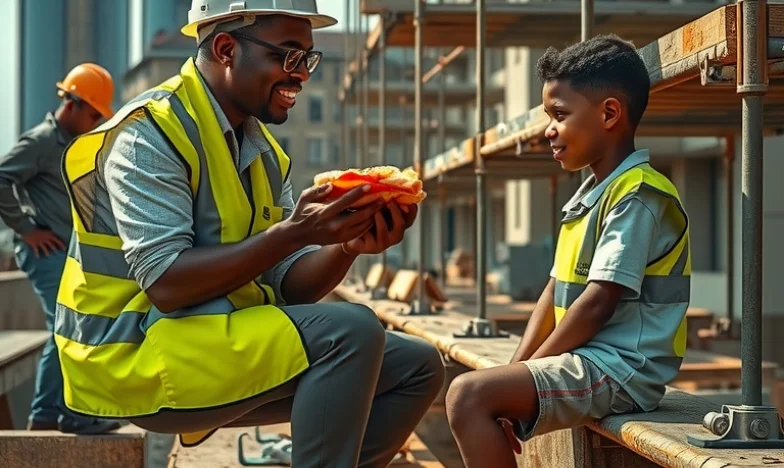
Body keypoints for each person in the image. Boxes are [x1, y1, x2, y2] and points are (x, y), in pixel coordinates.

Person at [54, 1, 445, 466]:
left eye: (308, 59)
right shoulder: (150, 135)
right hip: (128, 357)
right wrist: (293, 234)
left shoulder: (266, 155)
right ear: (225, 49)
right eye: (289, 55)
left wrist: (346, 246)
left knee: (418, 366)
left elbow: (287, 285)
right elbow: (165, 283)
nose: (301, 75)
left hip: (201, 340)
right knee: (354, 331)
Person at [445, 35, 691, 467]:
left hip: (624, 370)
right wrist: (513, 374)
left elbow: (596, 303)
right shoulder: (590, 195)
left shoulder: (638, 194)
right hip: (593, 359)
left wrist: (528, 373)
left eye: (560, 115)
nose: (549, 130)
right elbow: (552, 292)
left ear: (610, 113)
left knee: (466, 395)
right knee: (481, 387)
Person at [0, 63, 121, 434]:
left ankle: (52, 414)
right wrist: (27, 229)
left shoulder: (73, 144)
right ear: (72, 104)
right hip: (44, 253)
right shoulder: (40, 140)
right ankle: (62, 415)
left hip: (67, 254)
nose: (96, 121)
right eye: (93, 114)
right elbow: (2, 177)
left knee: (72, 326)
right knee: (66, 329)